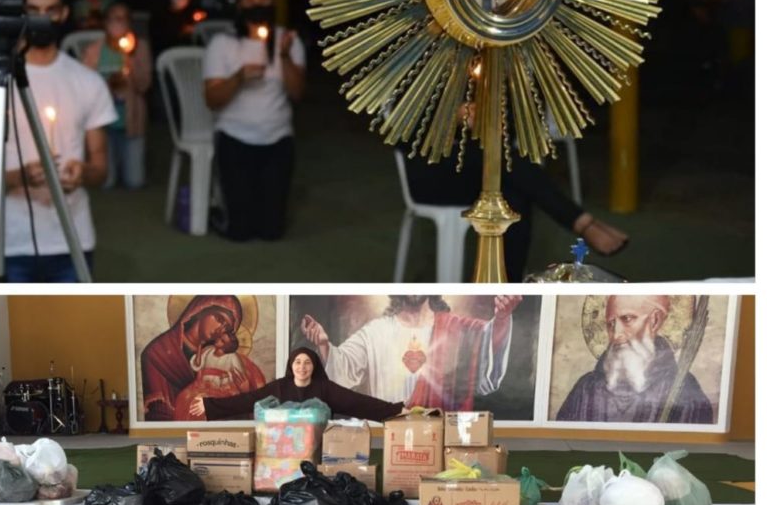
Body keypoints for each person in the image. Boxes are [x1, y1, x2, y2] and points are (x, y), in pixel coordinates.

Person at [0, 0, 114, 282]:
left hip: (72, 238)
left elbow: (100, 170)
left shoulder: (88, 82)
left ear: (64, 13)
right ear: (19, 15)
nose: (42, 19)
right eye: (33, 11)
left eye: (51, 11)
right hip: (8, 241)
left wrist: (81, 172)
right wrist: (18, 177)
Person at [403, 108, 628, 281]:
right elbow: (403, 129)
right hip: (432, 172)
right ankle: (579, 220)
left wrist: (489, 120)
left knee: (512, 192)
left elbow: (507, 132)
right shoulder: (421, 60)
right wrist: (453, 116)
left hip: (482, 170)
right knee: (509, 168)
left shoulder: (490, 60)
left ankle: (508, 289)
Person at [203, 0, 306, 241]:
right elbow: (212, 99)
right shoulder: (222, 44)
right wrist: (238, 78)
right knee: (241, 232)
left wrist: (283, 56)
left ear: (273, 3)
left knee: (271, 232)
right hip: (235, 139)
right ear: (239, 5)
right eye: (250, 1)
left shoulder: (288, 40)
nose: (257, 6)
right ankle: (221, 213)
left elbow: (297, 93)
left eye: (263, 0)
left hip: (278, 140)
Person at [301, 295, 520, 410]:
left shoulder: (456, 327)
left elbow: (486, 348)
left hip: (438, 438)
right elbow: (342, 367)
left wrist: (501, 318)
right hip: (391, 435)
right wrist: (323, 344)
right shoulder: (376, 331)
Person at [557, 295, 713, 423]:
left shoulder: (683, 389)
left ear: (655, 321)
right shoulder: (585, 389)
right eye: (611, 324)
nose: (616, 334)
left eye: (627, 319)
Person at [189, 346, 406, 422]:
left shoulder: (324, 388)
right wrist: (210, 405)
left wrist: (395, 410)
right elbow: (247, 400)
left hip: (316, 450)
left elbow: (357, 402)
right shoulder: (279, 388)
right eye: (298, 362)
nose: (302, 367)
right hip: (284, 453)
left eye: (307, 363)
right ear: (291, 365)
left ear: (314, 366)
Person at [141, 295, 267, 421]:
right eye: (219, 318)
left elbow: (249, 391)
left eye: (227, 328)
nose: (220, 329)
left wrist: (244, 389)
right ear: (200, 310)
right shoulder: (157, 353)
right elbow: (158, 416)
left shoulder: (226, 356)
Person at [82, 1, 152, 190]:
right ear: (105, 22)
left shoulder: (140, 47)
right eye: (114, 18)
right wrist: (108, 84)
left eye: (123, 19)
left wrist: (130, 60)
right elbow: (84, 88)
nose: (118, 23)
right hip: (105, 125)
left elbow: (144, 85)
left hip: (131, 121)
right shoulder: (94, 50)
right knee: (106, 182)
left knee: (134, 182)